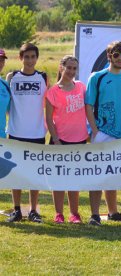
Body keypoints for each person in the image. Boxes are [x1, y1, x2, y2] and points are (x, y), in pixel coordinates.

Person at [85, 41, 121, 226]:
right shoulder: (97, 77)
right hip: (102, 132)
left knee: (113, 174)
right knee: (97, 174)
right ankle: (95, 214)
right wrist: (95, 131)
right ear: (109, 56)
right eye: (116, 55)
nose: (120, 58)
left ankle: (112, 212)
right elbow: (89, 105)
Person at [6, 43, 48, 223]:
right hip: (16, 132)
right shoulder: (12, 76)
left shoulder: (43, 77)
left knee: (34, 173)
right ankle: (16, 210)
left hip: (37, 133)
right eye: (26, 57)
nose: (30, 60)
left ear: (37, 58)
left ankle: (33, 210)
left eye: (33, 57)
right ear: (20, 58)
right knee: (15, 173)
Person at [45, 55, 87, 224]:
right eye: (68, 68)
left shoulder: (82, 87)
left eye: (74, 68)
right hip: (60, 140)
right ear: (61, 67)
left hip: (80, 140)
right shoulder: (53, 92)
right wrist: (55, 139)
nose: (71, 71)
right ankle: (59, 213)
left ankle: (74, 214)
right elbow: (48, 118)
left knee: (74, 179)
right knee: (59, 179)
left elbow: (89, 110)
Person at [0, 49, 10, 139]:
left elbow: (9, 111)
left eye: (2, 60)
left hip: (2, 138)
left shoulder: (5, 85)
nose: (0, 63)